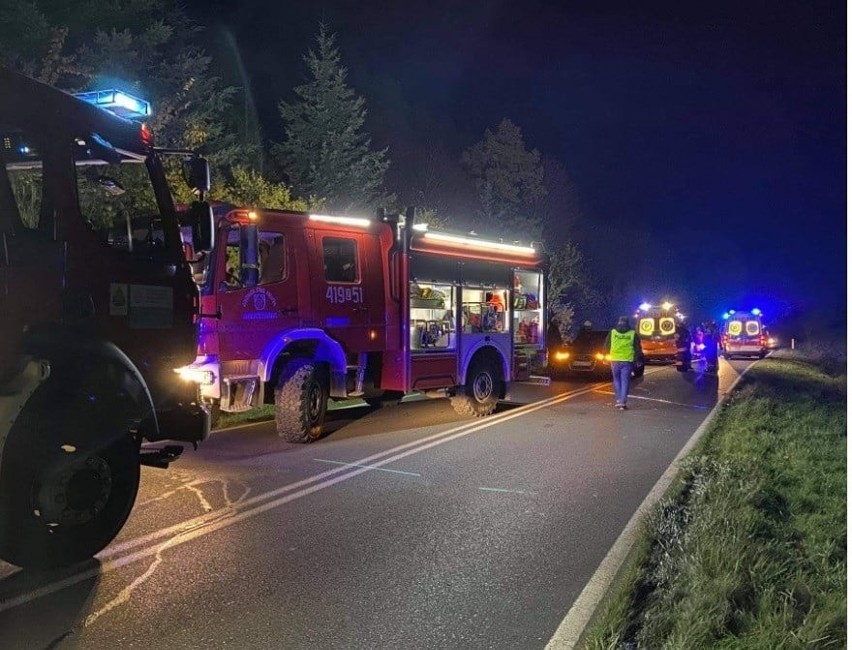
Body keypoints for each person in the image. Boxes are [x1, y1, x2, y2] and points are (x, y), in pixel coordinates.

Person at [604, 315, 642, 410]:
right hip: (627, 361)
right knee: (625, 381)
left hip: (615, 359)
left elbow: (606, 345)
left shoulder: (612, 332)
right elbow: (637, 348)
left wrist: (605, 356)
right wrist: (638, 359)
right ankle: (623, 402)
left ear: (619, 322)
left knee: (616, 380)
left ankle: (618, 400)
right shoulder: (632, 334)